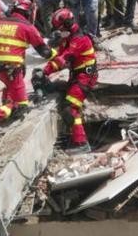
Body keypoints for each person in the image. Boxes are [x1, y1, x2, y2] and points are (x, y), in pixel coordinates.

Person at [0, 0, 54, 134]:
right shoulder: (28, 27)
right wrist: (58, 53)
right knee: (21, 105)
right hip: (11, 69)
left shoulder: (0, 23)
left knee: (12, 83)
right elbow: (45, 53)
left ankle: (7, 103)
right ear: (28, 13)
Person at [32, 8, 98, 154]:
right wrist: (44, 72)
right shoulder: (68, 38)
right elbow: (59, 58)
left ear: (67, 25)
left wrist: (46, 67)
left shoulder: (79, 39)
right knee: (57, 89)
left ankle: (81, 143)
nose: (58, 32)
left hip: (85, 77)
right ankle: (76, 137)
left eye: (60, 29)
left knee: (69, 108)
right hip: (76, 75)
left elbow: (63, 59)